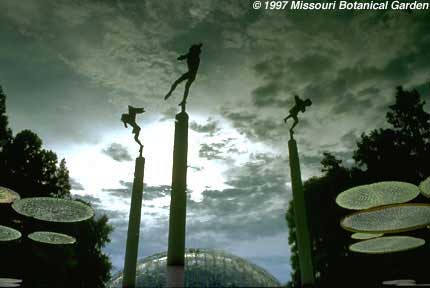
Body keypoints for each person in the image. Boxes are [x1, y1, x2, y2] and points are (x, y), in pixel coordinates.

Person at [164, 43, 203, 107]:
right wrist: (181, 57)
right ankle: (174, 95)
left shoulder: (195, 57)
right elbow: (183, 57)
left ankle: (183, 100)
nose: (190, 51)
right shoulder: (190, 55)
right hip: (191, 74)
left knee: (185, 86)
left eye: (191, 50)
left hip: (191, 73)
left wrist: (182, 57)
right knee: (183, 85)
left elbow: (186, 58)